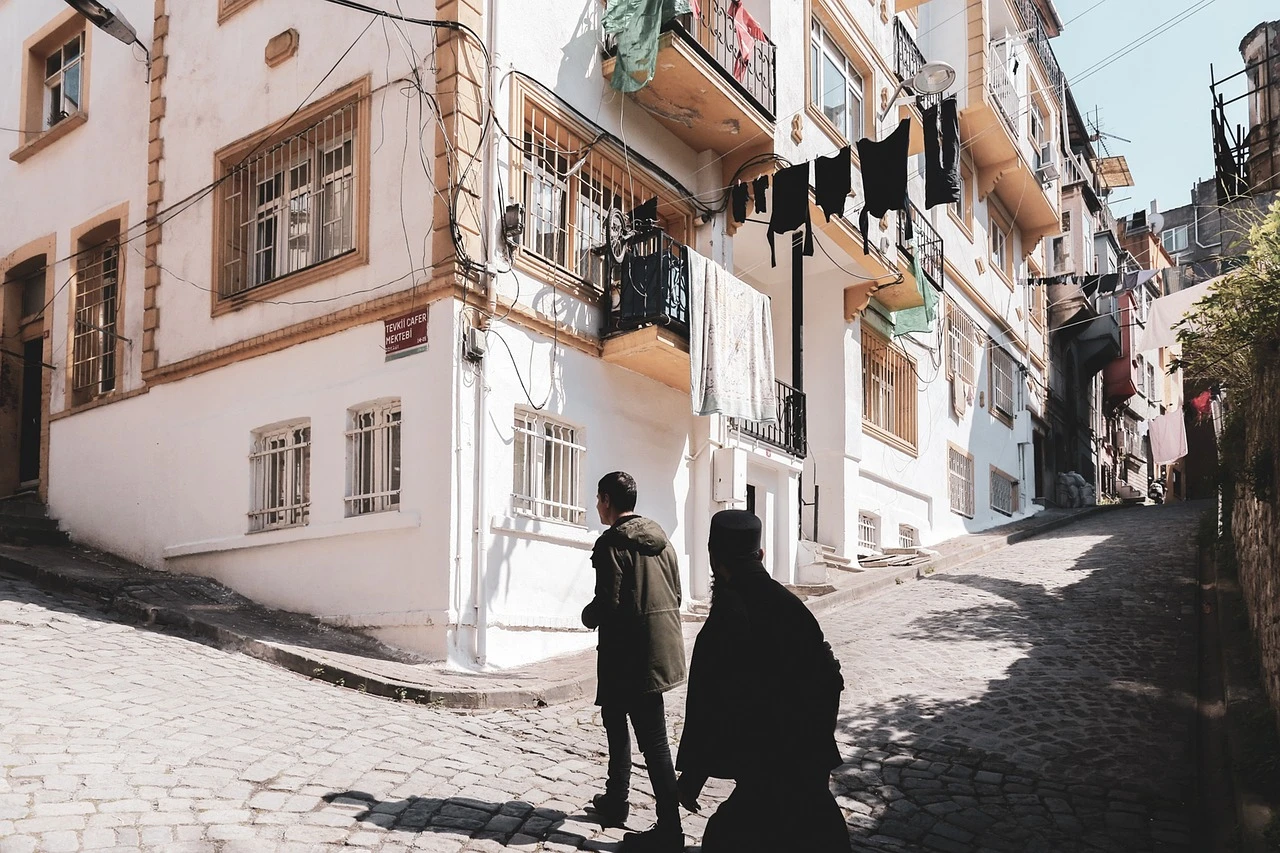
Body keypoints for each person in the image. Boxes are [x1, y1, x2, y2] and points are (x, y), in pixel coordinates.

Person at [675, 509, 850, 853]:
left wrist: (692, 778)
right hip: (808, 758)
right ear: (761, 555)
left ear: (714, 559)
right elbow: (832, 677)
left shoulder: (727, 618)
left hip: (772, 768)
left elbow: (708, 706)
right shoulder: (792, 607)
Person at [581, 471, 686, 852]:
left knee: (650, 742)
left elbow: (608, 603)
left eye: (598, 499)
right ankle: (615, 800)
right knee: (624, 726)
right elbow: (677, 592)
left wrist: (586, 616)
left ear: (607, 500)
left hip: (626, 656)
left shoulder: (612, 544)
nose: (597, 506)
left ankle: (669, 828)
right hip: (657, 651)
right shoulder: (663, 542)